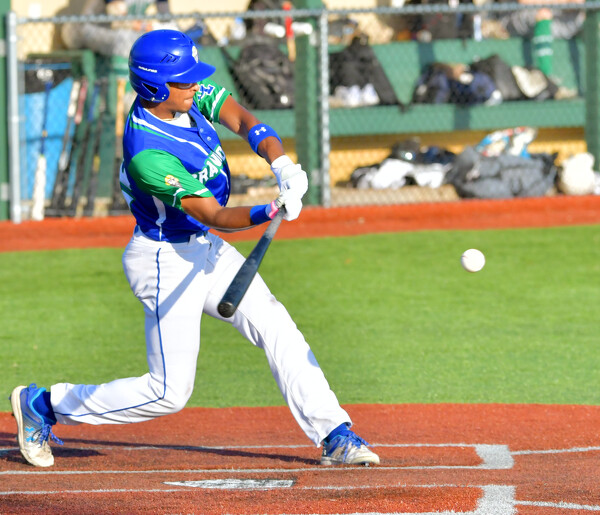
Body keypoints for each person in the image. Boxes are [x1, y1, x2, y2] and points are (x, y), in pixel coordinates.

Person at [10, 29, 380, 469]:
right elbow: (213, 214)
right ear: (153, 85)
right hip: (165, 260)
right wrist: (270, 209)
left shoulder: (185, 96)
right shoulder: (148, 152)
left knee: (276, 325)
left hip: (204, 248)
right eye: (182, 79)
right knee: (168, 393)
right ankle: (43, 404)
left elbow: (244, 121)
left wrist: (280, 163)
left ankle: (334, 433)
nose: (193, 85)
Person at [61, 0, 178, 58]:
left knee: (149, 40)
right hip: (86, 29)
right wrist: (150, 27)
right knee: (126, 39)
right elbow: (120, 21)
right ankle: (124, 92)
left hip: (117, 30)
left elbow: (167, 19)